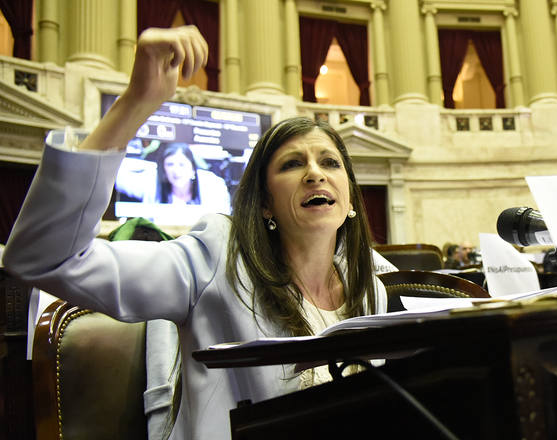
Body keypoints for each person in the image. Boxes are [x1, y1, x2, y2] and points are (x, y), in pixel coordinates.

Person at [2, 26, 386, 440]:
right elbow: (44, 257)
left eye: (329, 163)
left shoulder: (371, 288)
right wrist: (134, 104)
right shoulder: (213, 259)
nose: (314, 173)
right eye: (292, 164)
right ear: (263, 205)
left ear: (349, 201)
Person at [115, 141, 232, 214]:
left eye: (182, 164)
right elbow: (116, 175)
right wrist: (150, 167)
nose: (176, 171)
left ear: (192, 168)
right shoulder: (152, 182)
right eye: (170, 164)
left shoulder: (212, 184)